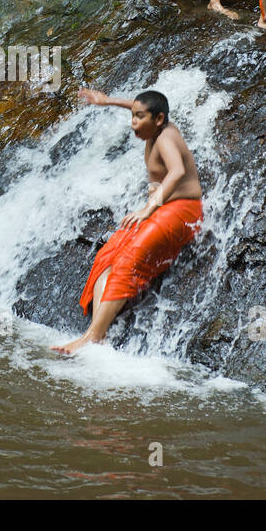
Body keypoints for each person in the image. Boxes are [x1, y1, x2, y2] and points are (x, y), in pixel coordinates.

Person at [51, 88, 205, 355]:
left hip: (182, 211)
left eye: (139, 117)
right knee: (108, 257)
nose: (133, 122)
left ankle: (93, 336)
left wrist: (148, 208)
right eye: (132, 116)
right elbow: (141, 107)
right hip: (162, 210)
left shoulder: (166, 137)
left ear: (158, 119)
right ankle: (96, 333)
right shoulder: (156, 125)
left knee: (128, 260)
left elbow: (178, 170)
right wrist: (107, 101)